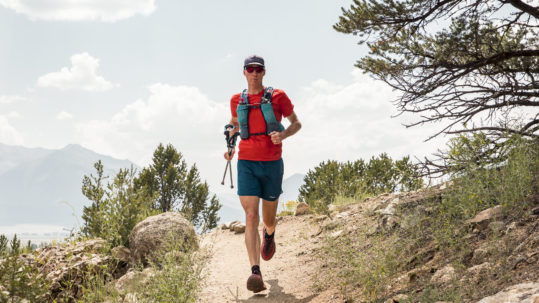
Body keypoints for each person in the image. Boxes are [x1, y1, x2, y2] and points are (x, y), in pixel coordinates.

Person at [224, 55, 302, 293]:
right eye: (250, 69)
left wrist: (284, 135)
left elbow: (296, 123)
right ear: (244, 72)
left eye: (258, 69)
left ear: (264, 72)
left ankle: (270, 233)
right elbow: (234, 124)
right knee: (250, 216)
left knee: (268, 220)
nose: (254, 73)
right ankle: (255, 272)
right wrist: (229, 145)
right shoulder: (237, 100)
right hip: (246, 162)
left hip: (271, 164)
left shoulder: (278, 96)